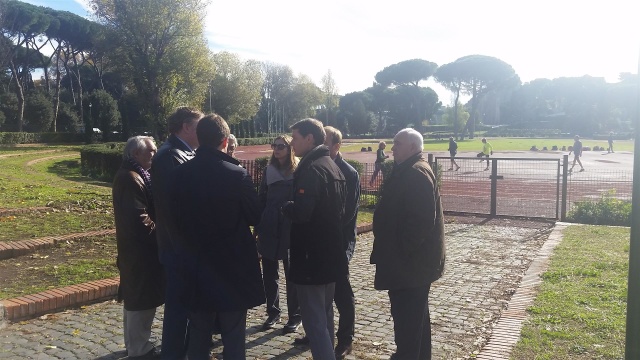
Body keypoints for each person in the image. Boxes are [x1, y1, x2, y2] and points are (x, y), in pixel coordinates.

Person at [170, 114, 265, 360]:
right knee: (233, 337)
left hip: (195, 266)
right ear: (225, 141)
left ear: (199, 139)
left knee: (199, 336)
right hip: (231, 267)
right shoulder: (236, 174)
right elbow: (255, 215)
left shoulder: (181, 174)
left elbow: (174, 218)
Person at [370, 128, 446, 360]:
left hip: (410, 266)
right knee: (415, 320)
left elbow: (421, 221)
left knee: (408, 322)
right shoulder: (411, 169)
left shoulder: (416, 172)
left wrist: (401, 252)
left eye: (397, 143)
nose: (392, 148)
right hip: (412, 265)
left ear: (413, 147)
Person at [282, 118, 347, 360]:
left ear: (310, 138)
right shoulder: (330, 164)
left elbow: (302, 213)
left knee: (314, 320)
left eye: (295, 138)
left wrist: (287, 207)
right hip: (328, 255)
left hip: (311, 257)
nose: (291, 143)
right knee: (325, 315)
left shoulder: (312, 168)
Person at [150, 106, 203, 360]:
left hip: (182, 248)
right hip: (179, 249)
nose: (203, 131)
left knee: (186, 309)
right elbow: (176, 209)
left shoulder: (181, 153)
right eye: (199, 125)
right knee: (178, 312)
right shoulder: (171, 155)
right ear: (186, 127)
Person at [112, 136, 164, 360]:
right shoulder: (130, 178)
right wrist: (163, 235)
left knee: (139, 299)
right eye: (151, 151)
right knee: (140, 301)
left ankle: (136, 345)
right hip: (139, 252)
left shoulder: (135, 175)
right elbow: (139, 219)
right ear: (136, 154)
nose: (154, 154)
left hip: (138, 251)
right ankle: (139, 349)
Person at [256, 134, 302, 333]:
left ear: (290, 148)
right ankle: (273, 312)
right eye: (274, 145)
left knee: (291, 273)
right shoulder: (268, 170)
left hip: (290, 225)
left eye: (281, 146)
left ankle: (295, 316)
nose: (277, 149)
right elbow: (261, 198)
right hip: (269, 224)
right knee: (269, 272)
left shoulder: (299, 170)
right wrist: (258, 226)